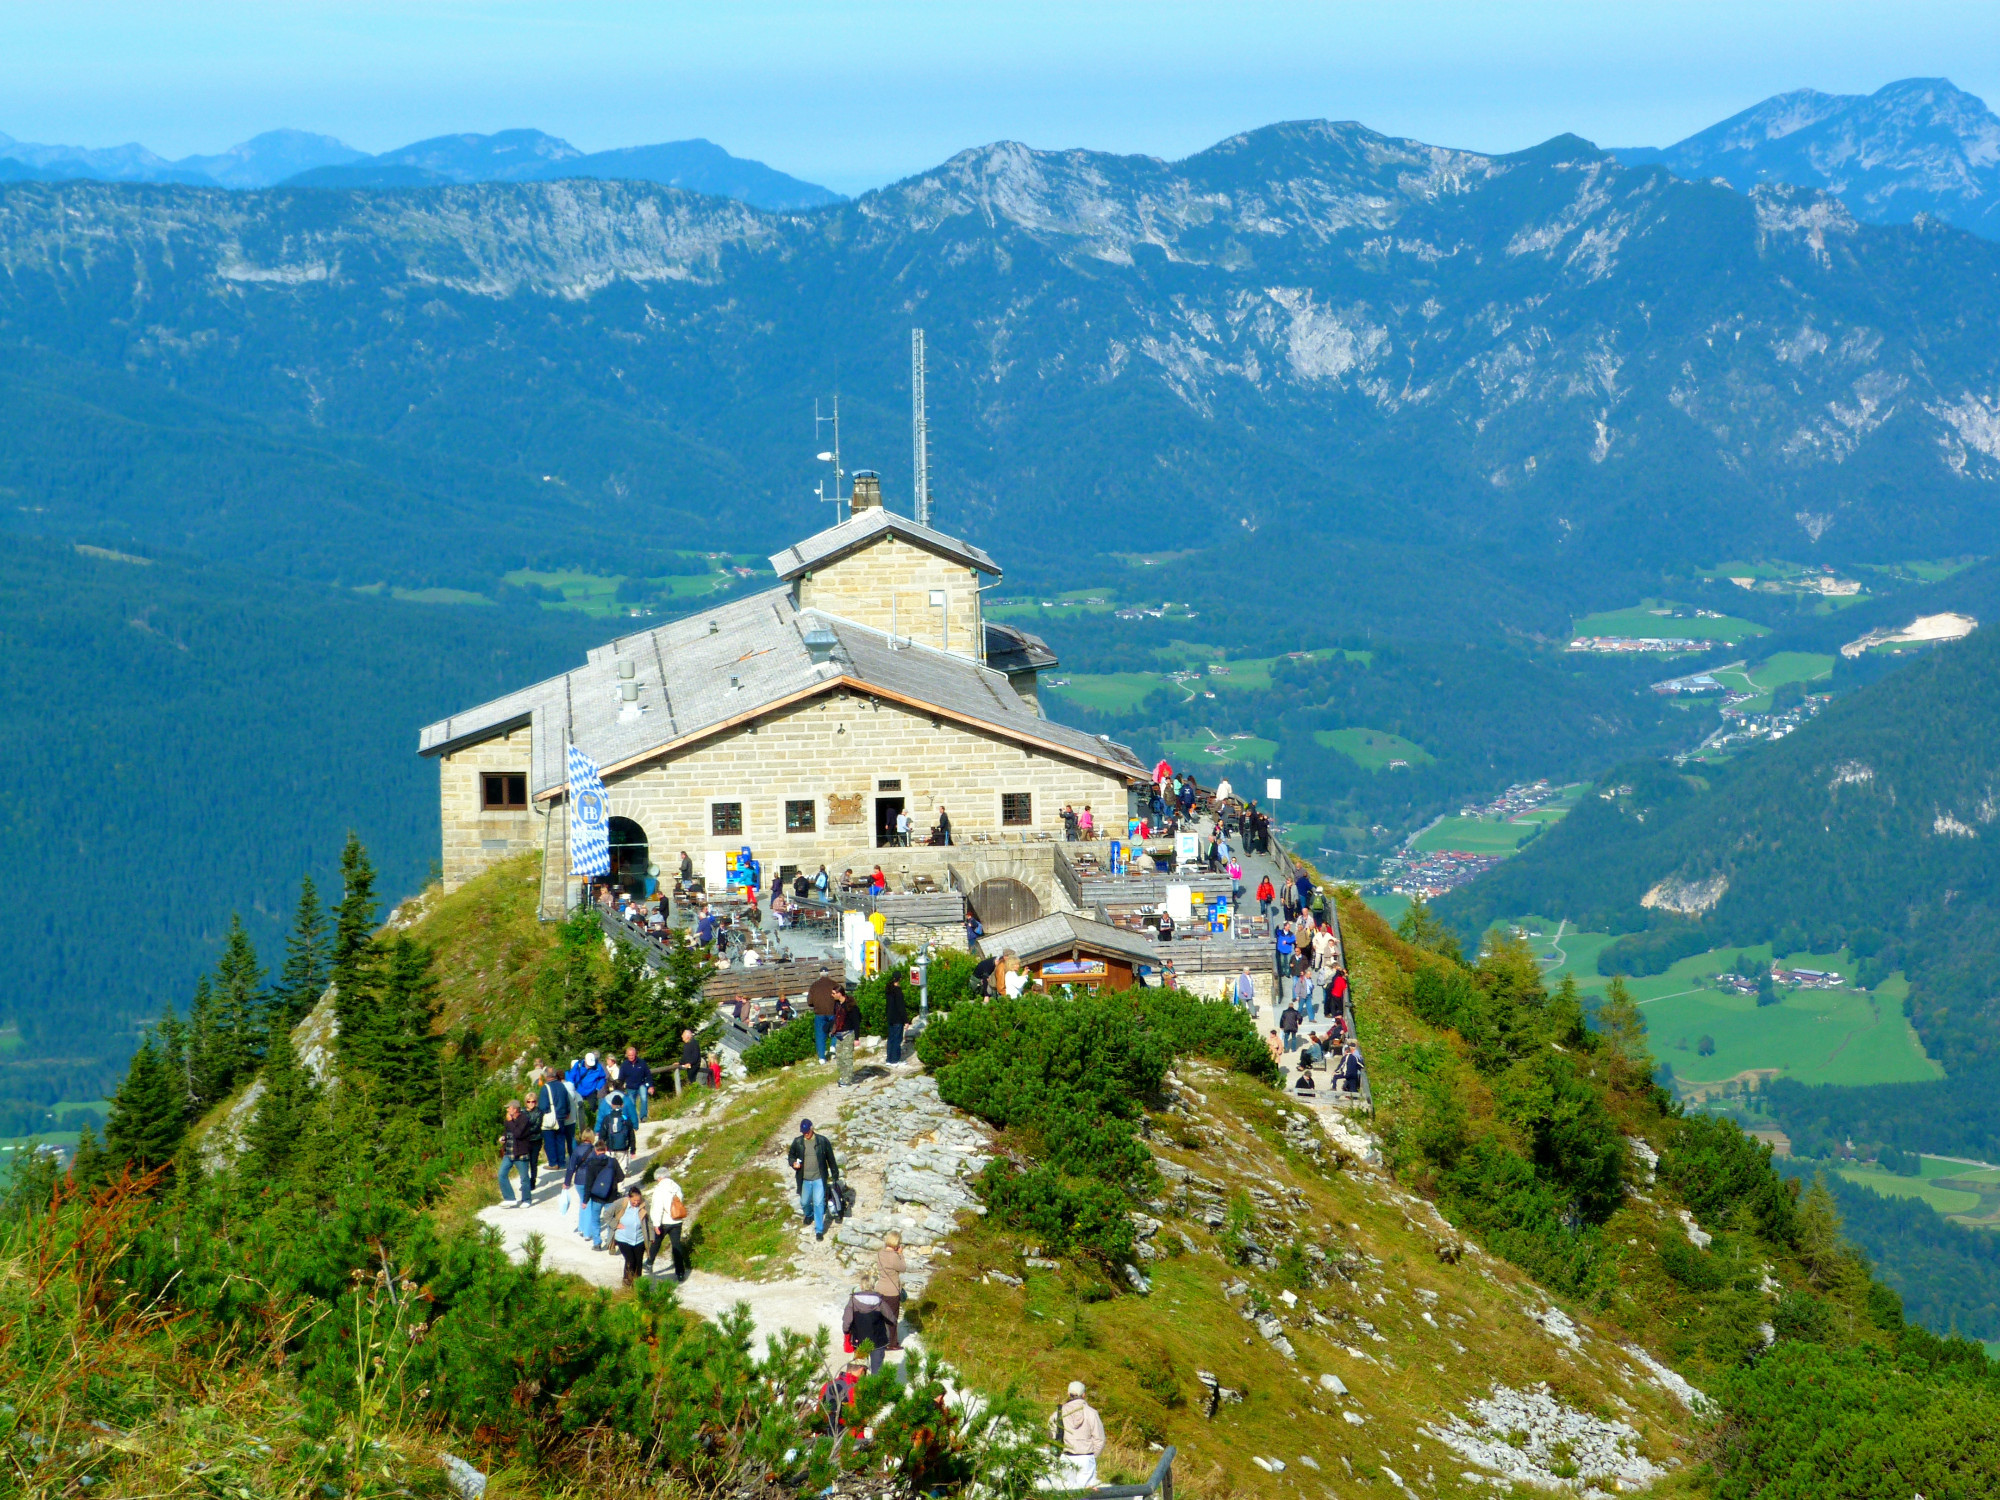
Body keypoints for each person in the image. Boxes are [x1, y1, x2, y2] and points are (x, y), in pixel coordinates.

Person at [788, 1118, 841, 1240]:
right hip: (804, 1179)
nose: (805, 1134)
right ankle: (809, 1214)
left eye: (807, 1131)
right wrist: (793, 1163)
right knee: (804, 1202)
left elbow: (830, 1159)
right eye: (803, 1132)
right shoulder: (798, 1142)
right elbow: (791, 1156)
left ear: (812, 1129)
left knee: (818, 1203)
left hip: (818, 1178)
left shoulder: (822, 1141)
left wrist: (835, 1174)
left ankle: (819, 1230)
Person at [1050, 1382, 1107, 1488]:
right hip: (1086, 1458)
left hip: (1066, 1457)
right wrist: (1092, 1456)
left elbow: (1052, 1434)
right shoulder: (1092, 1413)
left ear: (1068, 1393)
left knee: (1066, 1492)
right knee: (1085, 1493)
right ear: (1084, 1395)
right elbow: (1100, 1439)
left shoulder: (1059, 1412)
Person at [647, 1166, 691, 1280]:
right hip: (677, 1220)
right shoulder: (676, 1186)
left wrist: (656, 1224)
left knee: (656, 1242)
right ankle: (680, 1272)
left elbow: (657, 1207)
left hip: (664, 1222)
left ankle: (649, 1263)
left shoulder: (660, 1189)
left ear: (659, 1178)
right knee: (676, 1245)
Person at [843, 1289, 894, 1374]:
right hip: (878, 1341)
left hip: (859, 1340)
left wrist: (846, 1331)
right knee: (877, 1369)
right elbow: (891, 1319)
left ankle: (859, 1385)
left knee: (858, 1368)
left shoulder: (853, 1301)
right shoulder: (880, 1301)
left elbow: (847, 1320)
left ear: (861, 1287)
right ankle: (875, 1386)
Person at [498, 1101, 539, 1207]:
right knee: (501, 1174)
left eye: (509, 1108)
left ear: (515, 1109)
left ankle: (527, 1200)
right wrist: (503, 1137)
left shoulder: (524, 1119)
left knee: (524, 1178)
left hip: (521, 1153)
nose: (507, 1110)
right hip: (509, 1152)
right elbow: (508, 1132)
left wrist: (510, 1121)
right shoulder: (508, 1120)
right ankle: (509, 1198)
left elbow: (518, 1133)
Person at [611, 1187, 653, 1285]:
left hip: (639, 1238)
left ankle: (638, 1283)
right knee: (630, 1260)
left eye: (638, 1200)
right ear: (629, 1198)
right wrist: (615, 1224)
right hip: (623, 1238)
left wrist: (652, 1237)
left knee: (638, 1262)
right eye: (634, 1200)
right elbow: (607, 1215)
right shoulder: (620, 1203)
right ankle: (627, 1282)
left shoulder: (645, 1204)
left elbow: (650, 1221)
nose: (637, 1202)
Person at [875, 1231, 907, 1350]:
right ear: (896, 1243)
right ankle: (892, 1344)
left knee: (880, 1316)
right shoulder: (894, 1256)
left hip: (880, 1289)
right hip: (892, 1291)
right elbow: (903, 1268)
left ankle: (878, 1339)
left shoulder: (879, 1253)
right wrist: (900, 1255)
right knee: (892, 1319)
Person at [536, 1066, 571, 1170]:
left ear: (546, 1076)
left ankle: (553, 1163)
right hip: (561, 1116)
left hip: (551, 1117)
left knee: (549, 1141)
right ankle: (562, 1162)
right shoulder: (561, 1086)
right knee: (560, 1140)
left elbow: (543, 1106)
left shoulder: (545, 1088)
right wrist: (567, 1112)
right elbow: (567, 1100)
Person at [808, 966, 841, 1061]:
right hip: (833, 1012)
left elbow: (810, 1002)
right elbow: (840, 998)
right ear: (828, 973)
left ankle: (822, 1058)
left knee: (820, 1035)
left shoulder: (814, 985)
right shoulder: (834, 984)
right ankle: (833, 1045)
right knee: (836, 1028)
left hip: (819, 1013)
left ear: (819, 974)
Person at [833, 989, 863, 1086]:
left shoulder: (851, 1006)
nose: (832, 995)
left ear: (839, 993)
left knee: (847, 1057)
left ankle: (847, 1080)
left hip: (848, 1034)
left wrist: (856, 1038)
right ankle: (843, 1076)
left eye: (833, 993)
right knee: (839, 1057)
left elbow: (856, 1022)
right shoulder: (837, 1005)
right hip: (838, 1034)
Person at [884, 966, 909, 1065]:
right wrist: (906, 1020)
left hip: (890, 1017)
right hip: (898, 1018)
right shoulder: (898, 991)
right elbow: (901, 1007)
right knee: (897, 1039)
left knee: (891, 1039)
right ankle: (895, 1060)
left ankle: (889, 1059)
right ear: (900, 979)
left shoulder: (888, 990)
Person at [622, 1044, 654, 1121]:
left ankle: (643, 1116)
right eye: (629, 1055)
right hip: (630, 1087)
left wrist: (651, 1086)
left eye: (632, 1055)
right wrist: (621, 1086)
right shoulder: (624, 1064)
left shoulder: (642, 1063)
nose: (631, 1057)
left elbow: (648, 1074)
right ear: (627, 1055)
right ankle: (634, 1119)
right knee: (631, 1104)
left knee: (644, 1098)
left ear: (635, 1054)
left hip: (641, 1084)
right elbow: (621, 1077)